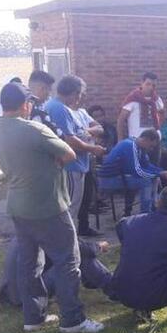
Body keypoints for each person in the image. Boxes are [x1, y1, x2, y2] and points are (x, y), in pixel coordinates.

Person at [0, 82, 103, 333]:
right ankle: (73, 320)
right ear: (24, 105)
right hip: (48, 205)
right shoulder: (34, 129)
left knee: (29, 264)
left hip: (18, 206)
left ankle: (34, 318)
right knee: (68, 261)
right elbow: (69, 154)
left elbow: (6, 167)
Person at [104, 187, 167, 322]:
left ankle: (141, 309)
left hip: (122, 292)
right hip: (158, 295)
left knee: (144, 257)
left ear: (158, 202)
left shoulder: (129, 222)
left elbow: (121, 230)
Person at [44, 75, 106, 224]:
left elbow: (83, 132)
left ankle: (72, 241)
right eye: (79, 94)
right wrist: (93, 148)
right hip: (70, 165)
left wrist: (85, 134)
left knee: (73, 206)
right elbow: (70, 140)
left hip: (77, 164)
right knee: (70, 207)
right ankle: (69, 244)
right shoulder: (59, 108)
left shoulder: (62, 108)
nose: (79, 98)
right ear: (73, 92)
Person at [0, 238, 113, 307]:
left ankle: (101, 283)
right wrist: (99, 246)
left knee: (70, 256)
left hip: (9, 293)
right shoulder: (51, 228)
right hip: (26, 297)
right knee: (78, 257)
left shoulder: (27, 225)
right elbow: (81, 249)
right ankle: (114, 287)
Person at [98, 129, 167, 215]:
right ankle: (145, 214)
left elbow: (146, 165)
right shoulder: (130, 146)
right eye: (151, 146)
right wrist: (160, 174)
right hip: (109, 179)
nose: (151, 149)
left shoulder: (140, 147)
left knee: (154, 178)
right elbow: (138, 171)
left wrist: (161, 172)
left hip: (121, 176)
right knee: (145, 181)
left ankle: (154, 208)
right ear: (146, 139)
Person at [72, 92, 105, 237]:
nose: (83, 99)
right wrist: (89, 133)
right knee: (74, 199)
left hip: (89, 158)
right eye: (81, 96)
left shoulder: (83, 113)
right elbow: (74, 136)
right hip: (76, 160)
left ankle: (84, 227)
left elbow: (100, 129)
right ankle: (72, 232)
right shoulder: (68, 114)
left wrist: (85, 132)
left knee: (87, 195)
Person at [118, 72, 165, 165]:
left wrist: (159, 128)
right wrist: (120, 140)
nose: (151, 87)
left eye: (154, 85)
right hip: (137, 142)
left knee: (154, 169)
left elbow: (162, 113)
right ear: (142, 83)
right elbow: (121, 120)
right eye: (148, 84)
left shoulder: (156, 99)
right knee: (138, 170)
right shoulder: (132, 98)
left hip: (154, 142)